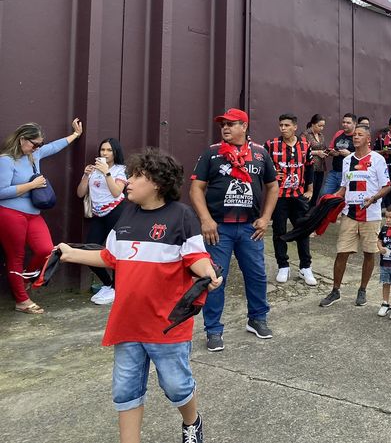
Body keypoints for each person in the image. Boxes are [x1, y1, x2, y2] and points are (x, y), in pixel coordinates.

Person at [57, 147, 222, 443]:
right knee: (126, 390)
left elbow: (195, 257)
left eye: (136, 176)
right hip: (127, 322)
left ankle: (192, 422)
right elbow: (110, 258)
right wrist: (72, 254)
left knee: (176, 386)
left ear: (157, 182)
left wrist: (207, 271)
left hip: (167, 324)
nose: (128, 181)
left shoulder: (182, 216)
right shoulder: (126, 215)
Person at [189, 108, 278, 352]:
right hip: (219, 230)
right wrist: (206, 220)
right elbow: (196, 188)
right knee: (215, 279)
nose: (225, 128)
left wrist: (266, 217)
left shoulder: (260, 154)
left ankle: (257, 319)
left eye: (231, 124)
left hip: (251, 228)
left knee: (257, 275)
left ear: (244, 126)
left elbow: (273, 186)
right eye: (223, 124)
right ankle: (214, 330)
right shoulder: (212, 153)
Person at [0, 118, 83, 314]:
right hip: (11, 214)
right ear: (22, 140)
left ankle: (25, 281)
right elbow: (1, 191)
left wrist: (75, 135)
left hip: (33, 214)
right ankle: (22, 301)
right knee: (16, 256)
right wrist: (31, 185)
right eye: (34, 143)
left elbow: (54, 147)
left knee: (46, 249)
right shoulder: (6, 161)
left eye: (40, 144)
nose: (38, 147)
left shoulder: (34, 155)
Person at [320, 124, 390, 308]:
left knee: (369, 253)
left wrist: (374, 198)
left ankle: (362, 289)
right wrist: (334, 197)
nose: (355, 137)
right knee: (342, 252)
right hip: (349, 213)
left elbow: (387, 186)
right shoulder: (347, 160)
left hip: (371, 214)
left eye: (360, 135)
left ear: (368, 139)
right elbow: (344, 185)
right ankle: (335, 291)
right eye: (354, 135)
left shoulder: (378, 159)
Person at [265, 114, 317, 286]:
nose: (283, 128)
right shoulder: (271, 145)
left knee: (303, 230)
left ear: (295, 127)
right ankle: (283, 265)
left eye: (287, 125)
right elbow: (263, 168)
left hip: (298, 196)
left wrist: (310, 190)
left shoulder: (305, 144)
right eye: (281, 125)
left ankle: (305, 267)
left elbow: (310, 168)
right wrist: (271, 176)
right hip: (279, 196)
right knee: (279, 231)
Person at [76, 137, 128, 305]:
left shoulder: (120, 170)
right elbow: (80, 193)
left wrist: (107, 172)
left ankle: (117, 286)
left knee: (116, 250)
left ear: (115, 152)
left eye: (109, 150)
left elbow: (116, 192)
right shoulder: (94, 169)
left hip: (117, 212)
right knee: (90, 249)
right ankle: (108, 284)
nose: (104, 153)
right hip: (99, 214)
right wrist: (86, 175)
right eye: (102, 150)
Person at [319, 113, 356, 197]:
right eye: (344, 122)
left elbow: (363, 155)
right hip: (334, 171)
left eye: (348, 123)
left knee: (343, 198)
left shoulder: (357, 136)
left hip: (349, 173)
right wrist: (332, 152)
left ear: (354, 124)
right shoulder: (339, 133)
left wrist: (349, 154)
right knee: (324, 194)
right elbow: (330, 148)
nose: (345, 124)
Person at [303, 115, 328, 207]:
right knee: (309, 191)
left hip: (320, 167)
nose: (321, 128)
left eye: (323, 126)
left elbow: (323, 148)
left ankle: (312, 213)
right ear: (313, 124)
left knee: (317, 191)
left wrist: (328, 151)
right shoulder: (305, 134)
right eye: (319, 125)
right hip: (310, 167)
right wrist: (317, 152)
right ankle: (305, 212)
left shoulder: (321, 135)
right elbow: (302, 151)